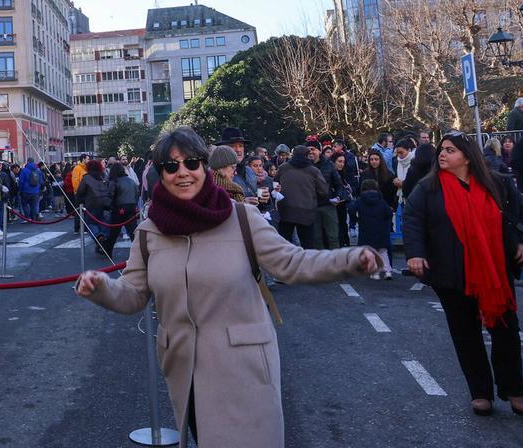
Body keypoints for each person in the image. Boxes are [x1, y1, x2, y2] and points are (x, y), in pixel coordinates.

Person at [76, 127, 378, 447]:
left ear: (204, 167)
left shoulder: (243, 217)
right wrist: (101, 288)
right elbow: (134, 294)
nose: (183, 172)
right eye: (171, 166)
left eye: (191, 163)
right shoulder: (149, 232)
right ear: (160, 174)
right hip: (186, 370)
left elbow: (294, 262)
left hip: (244, 367)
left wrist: (351, 260)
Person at [402, 132, 523, 417]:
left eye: (450, 150)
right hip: (451, 273)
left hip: (495, 271)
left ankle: (514, 390)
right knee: (466, 335)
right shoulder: (428, 188)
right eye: (441, 150)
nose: (442, 154)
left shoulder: (497, 183)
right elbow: (413, 219)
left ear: (466, 155)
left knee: (506, 332)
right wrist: (415, 253)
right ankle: (480, 393)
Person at [275, 146, 325, 248]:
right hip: (306, 211)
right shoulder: (314, 171)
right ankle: (306, 263)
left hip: (286, 211)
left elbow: (275, 184)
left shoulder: (283, 168)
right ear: (307, 156)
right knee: (307, 245)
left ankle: (286, 263)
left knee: (285, 244)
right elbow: (323, 191)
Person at [351, 178, 394, 279]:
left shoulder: (360, 200)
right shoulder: (381, 200)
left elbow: (351, 209)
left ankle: (375, 273)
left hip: (366, 230)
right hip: (381, 230)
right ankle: (388, 271)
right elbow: (389, 213)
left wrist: (356, 219)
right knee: (383, 251)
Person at [75, 160, 114, 251]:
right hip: (106, 202)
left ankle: (98, 236)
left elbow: (80, 192)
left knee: (90, 223)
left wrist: (79, 202)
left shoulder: (86, 178)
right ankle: (103, 239)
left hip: (92, 203)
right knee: (104, 222)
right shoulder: (104, 176)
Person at [105, 162, 140, 253]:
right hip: (132, 207)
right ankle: (139, 252)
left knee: (114, 232)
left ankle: (108, 250)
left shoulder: (114, 181)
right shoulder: (131, 181)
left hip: (119, 208)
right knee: (133, 232)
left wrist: (108, 206)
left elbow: (110, 195)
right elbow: (137, 193)